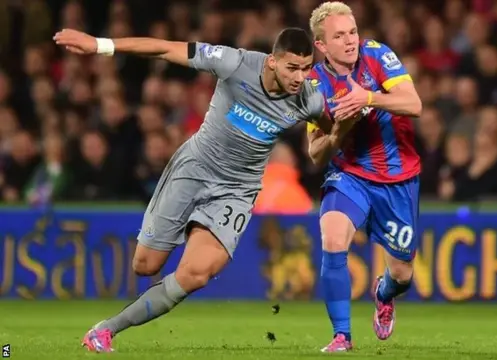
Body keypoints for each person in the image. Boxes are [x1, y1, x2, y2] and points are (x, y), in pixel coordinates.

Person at [53, 26, 345, 353]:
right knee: (145, 266)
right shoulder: (234, 63)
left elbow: (329, 132)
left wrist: (337, 137)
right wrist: (100, 44)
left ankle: (106, 330)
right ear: (273, 62)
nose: (300, 77)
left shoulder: (309, 99)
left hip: (237, 190)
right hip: (195, 169)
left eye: (307, 68)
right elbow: (165, 48)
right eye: (293, 67)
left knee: (196, 274)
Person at [306, 1, 422, 352]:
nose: (350, 40)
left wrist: (367, 97)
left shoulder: (377, 56)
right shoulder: (314, 84)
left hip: (399, 179)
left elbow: (414, 104)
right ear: (321, 45)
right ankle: (343, 336)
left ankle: (383, 293)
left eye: (352, 31)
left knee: (402, 275)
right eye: (339, 35)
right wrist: (339, 133)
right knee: (332, 237)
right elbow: (315, 154)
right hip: (350, 174)